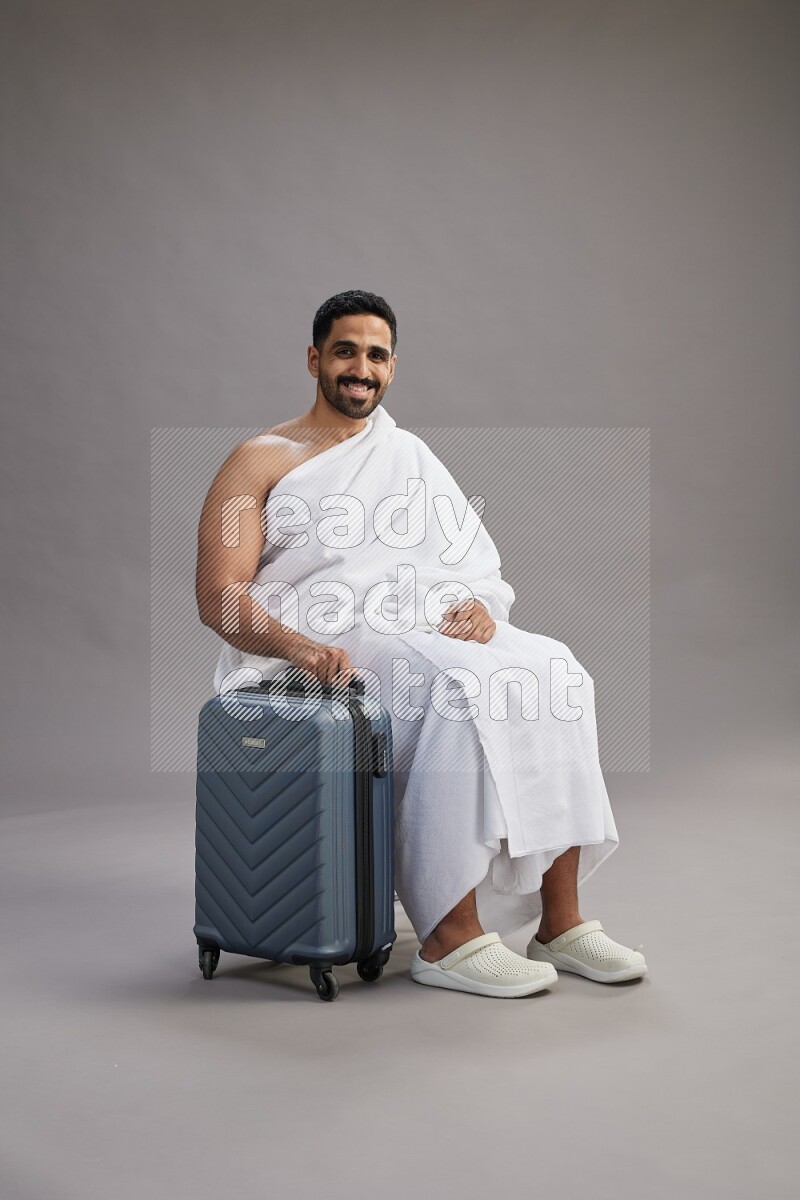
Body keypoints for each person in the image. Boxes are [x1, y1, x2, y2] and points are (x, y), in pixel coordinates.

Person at [195, 289, 647, 999]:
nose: (360, 368)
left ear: (393, 367)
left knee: (558, 670)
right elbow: (220, 597)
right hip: (321, 644)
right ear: (315, 358)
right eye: (345, 351)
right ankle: (448, 936)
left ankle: (559, 924)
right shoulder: (255, 462)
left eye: (376, 355)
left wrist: (479, 611)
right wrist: (301, 648)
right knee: (452, 688)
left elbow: (474, 565)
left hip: (414, 621)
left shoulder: (409, 455)